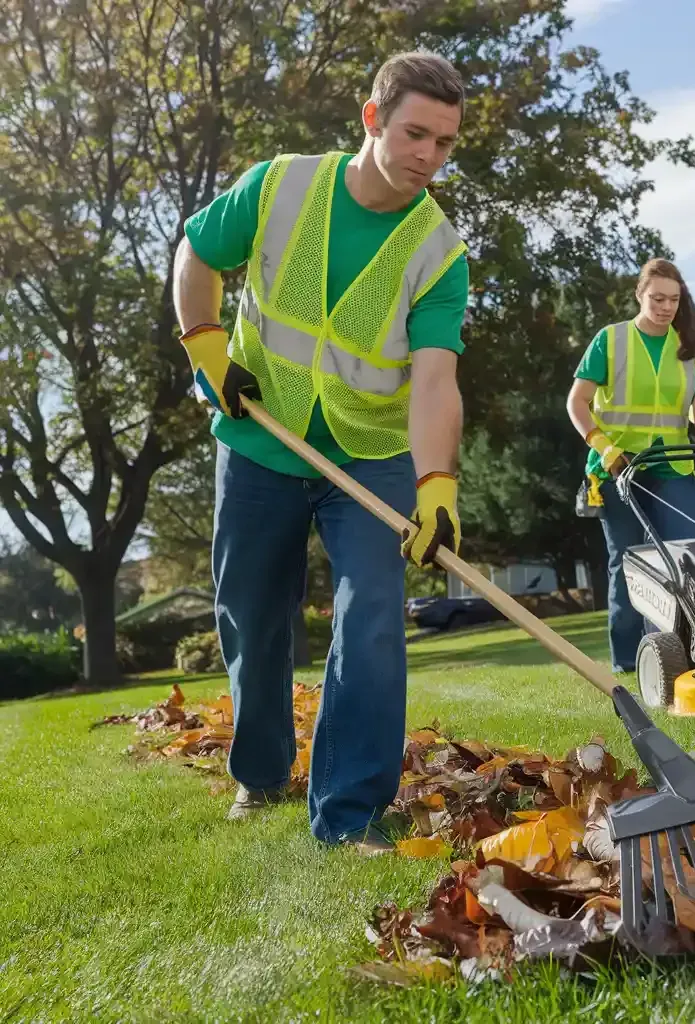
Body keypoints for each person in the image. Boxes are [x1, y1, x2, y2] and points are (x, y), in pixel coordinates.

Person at [171, 51, 469, 854]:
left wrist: (436, 482)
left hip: (369, 457)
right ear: (372, 119)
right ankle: (261, 772)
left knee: (372, 617)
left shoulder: (438, 254)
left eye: (445, 144)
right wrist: (205, 347)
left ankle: (350, 814)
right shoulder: (281, 185)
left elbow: (437, 381)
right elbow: (196, 252)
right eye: (415, 134)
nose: (428, 158)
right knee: (252, 617)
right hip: (261, 434)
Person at [566, 258, 695, 674]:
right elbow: (577, 402)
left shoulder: (689, 349)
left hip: (672, 464)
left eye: (673, 299)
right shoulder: (611, 340)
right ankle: (629, 663)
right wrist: (602, 445)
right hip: (618, 467)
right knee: (629, 562)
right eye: (657, 298)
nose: (666, 306)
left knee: (690, 557)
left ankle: (690, 653)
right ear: (640, 294)